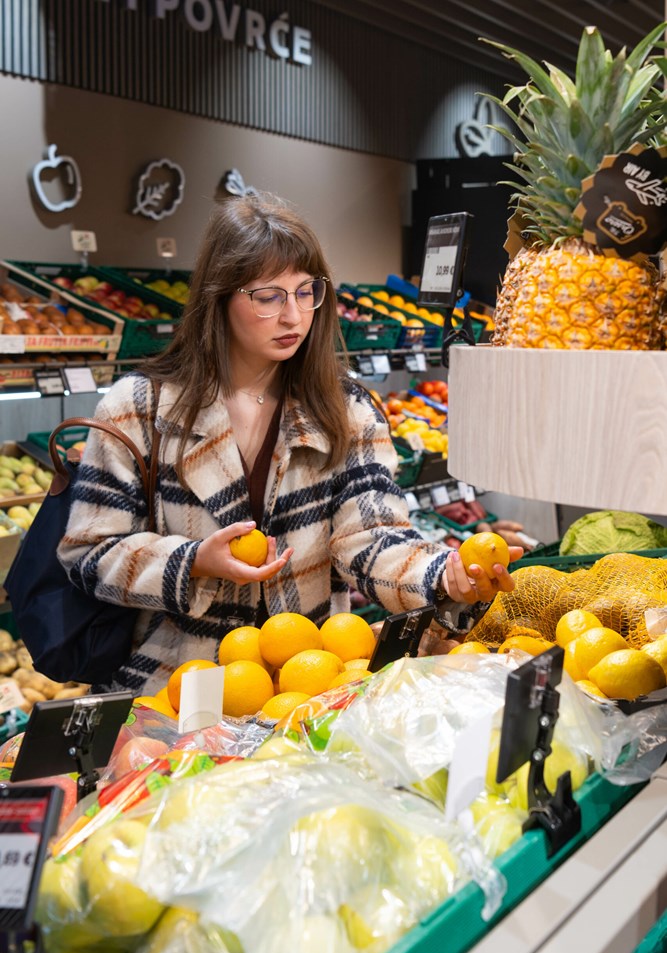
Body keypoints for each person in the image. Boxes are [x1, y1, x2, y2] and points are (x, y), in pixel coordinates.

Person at [57, 193, 522, 694]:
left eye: (306, 292)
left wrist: (442, 575)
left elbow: (372, 538)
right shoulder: (141, 407)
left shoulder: (345, 410)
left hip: (312, 684)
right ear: (219, 296)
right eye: (269, 296)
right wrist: (193, 562)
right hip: (179, 689)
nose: (294, 317)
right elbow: (90, 550)